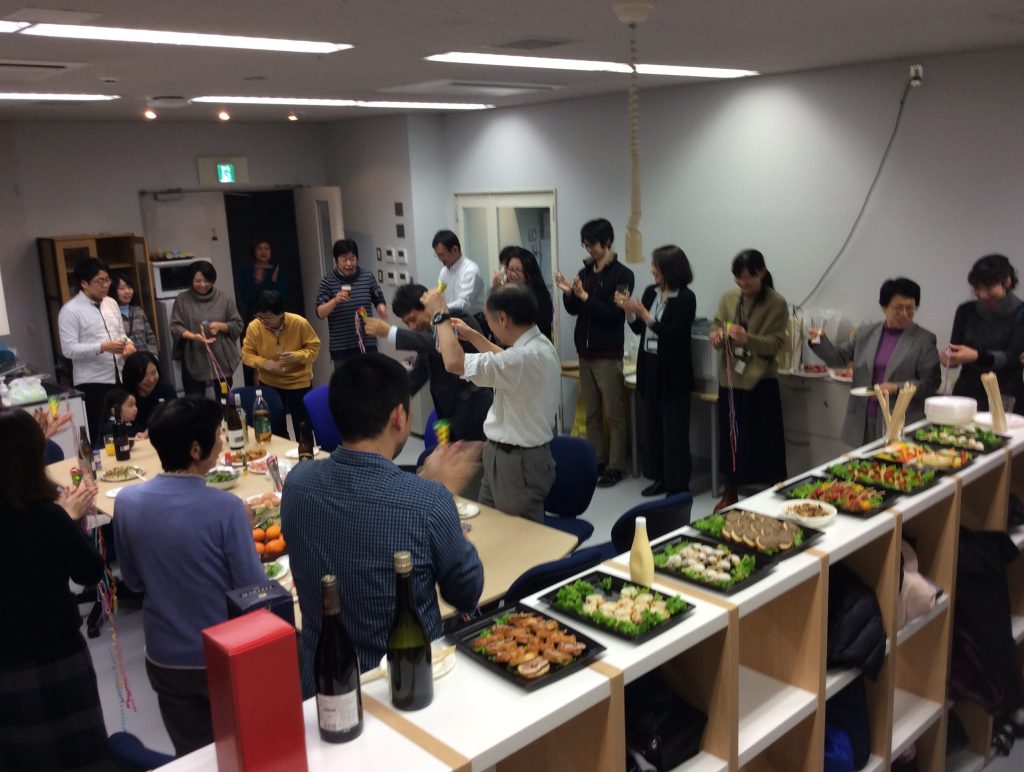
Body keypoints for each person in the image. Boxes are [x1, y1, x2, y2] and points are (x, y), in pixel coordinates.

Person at [281, 354, 484, 692]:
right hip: (406, 684)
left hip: (323, 684)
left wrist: (425, 487)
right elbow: (467, 592)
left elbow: (358, 522)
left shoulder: (297, 483)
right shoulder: (428, 501)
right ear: (399, 417)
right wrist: (442, 491)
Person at [113, 397, 267, 755]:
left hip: (164, 657)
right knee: (241, 752)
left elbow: (132, 582)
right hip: (220, 655)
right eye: (218, 434)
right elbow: (253, 590)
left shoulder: (126, 502)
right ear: (196, 449)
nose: (222, 441)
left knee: (194, 755)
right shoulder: (227, 509)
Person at [2, 409, 113, 771]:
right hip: (56, 654)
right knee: (80, 754)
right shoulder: (46, 517)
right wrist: (69, 518)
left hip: (8, 660)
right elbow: (90, 571)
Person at [427, 283, 561, 522]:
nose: (488, 325)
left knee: (518, 535)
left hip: (516, 462)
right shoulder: (539, 345)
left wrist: (440, 315)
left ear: (503, 318)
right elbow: (504, 359)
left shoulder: (521, 358)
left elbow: (454, 362)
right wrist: (475, 336)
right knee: (488, 524)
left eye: (487, 319)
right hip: (504, 455)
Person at [811, 277, 941, 445]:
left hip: (899, 418)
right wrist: (818, 340)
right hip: (862, 418)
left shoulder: (923, 339)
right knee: (861, 460)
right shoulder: (865, 333)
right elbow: (838, 359)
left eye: (910, 309)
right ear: (884, 307)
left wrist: (896, 388)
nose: (904, 314)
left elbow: (930, 383)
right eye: (897, 308)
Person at [556, 218, 634, 487]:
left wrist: (585, 296)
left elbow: (614, 316)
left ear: (607, 242)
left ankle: (616, 466)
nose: (589, 249)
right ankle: (597, 460)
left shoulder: (623, 275)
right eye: (586, 244)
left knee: (613, 413)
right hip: (585, 351)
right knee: (591, 412)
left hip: (608, 353)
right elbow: (574, 310)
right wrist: (569, 294)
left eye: (593, 244)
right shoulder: (586, 271)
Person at [709, 250, 789, 510]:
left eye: (749, 278)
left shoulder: (776, 303)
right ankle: (730, 491)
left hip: (761, 383)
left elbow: (776, 344)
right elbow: (716, 326)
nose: (743, 283)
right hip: (731, 381)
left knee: (766, 443)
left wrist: (748, 339)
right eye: (738, 278)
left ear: (762, 273)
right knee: (730, 442)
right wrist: (717, 336)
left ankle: (776, 493)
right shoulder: (728, 297)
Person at [363, 283, 492, 442]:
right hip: (450, 416)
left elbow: (439, 344)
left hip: (477, 411)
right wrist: (391, 401)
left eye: (413, 319)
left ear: (427, 306)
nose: (412, 326)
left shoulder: (457, 318)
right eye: (406, 323)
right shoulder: (427, 333)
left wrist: (390, 333)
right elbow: (419, 374)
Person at [619, 245, 696, 496]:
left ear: (670, 269)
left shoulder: (686, 298)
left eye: (656, 266)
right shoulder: (651, 292)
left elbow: (674, 336)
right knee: (653, 429)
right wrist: (630, 314)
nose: (652, 270)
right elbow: (640, 330)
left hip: (674, 373)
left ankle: (678, 484)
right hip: (649, 368)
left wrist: (646, 315)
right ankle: (660, 478)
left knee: (674, 432)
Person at [57, 256, 133, 443]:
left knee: (122, 427)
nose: (106, 285)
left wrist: (128, 344)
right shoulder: (70, 310)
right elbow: (68, 349)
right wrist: (102, 347)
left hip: (118, 376)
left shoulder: (111, 303)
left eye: (107, 279)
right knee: (101, 431)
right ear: (84, 283)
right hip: (92, 382)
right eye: (100, 281)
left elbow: (121, 333)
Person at [941, 254, 1024, 412]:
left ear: (1007, 282)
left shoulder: (1021, 313)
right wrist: (949, 358)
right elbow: (956, 348)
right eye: (977, 288)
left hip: (1006, 398)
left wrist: (977, 356)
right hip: (966, 395)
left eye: (988, 288)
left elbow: (1013, 357)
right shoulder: (966, 310)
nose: (982, 294)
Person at [241, 290, 321, 438]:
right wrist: (265, 363)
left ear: (281, 314)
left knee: (303, 426)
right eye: (260, 316)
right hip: (270, 382)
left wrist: (297, 356)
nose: (263, 321)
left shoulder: (299, 323)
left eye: (267, 318)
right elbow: (246, 354)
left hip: (298, 382)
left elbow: (314, 349)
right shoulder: (254, 326)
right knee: (276, 426)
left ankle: (305, 451)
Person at [170, 260, 243, 397]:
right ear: (191, 280)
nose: (203, 285)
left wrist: (222, 326)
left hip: (220, 357)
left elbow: (238, 324)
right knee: (195, 401)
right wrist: (193, 336)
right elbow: (175, 326)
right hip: (194, 355)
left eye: (207, 280)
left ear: (213, 280)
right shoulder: (182, 299)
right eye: (198, 281)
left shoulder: (224, 299)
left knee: (224, 399)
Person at [315, 239, 387, 366]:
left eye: (352, 259)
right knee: (346, 378)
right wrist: (335, 301)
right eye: (344, 260)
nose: (349, 263)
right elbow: (320, 313)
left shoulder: (367, 276)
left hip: (367, 342)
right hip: (342, 347)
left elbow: (378, 297)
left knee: (372, 376)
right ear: (336, 260)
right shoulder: (328, 281)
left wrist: (381, 308)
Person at [493, 246, 554, 340]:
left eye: (517, 270)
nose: (512, 274)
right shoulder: (510, 293)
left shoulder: (539, 297)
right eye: (510, 269)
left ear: (529, 273)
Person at [235, 237, 288, 324]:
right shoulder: (246, 271)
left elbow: (284, 296)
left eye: (266, 248)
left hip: (276, 318)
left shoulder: (277, 271)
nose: (263, 252)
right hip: (254, 317)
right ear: (254, 251)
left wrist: (275, 283)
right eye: (259, 248)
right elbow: (245, 297)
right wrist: (257, 283)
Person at [122, 351, 177, 432]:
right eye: (144, 376)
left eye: (154, 373)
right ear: (133, 377)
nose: (151, 380)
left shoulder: (167, 391)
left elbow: (177, 420)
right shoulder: (126, 399)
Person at [434, 229, 485, 316]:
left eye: (442, 255)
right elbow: (439, 293)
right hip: (450, 316)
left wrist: (439, 309)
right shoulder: (444, 272)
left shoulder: (470, 271)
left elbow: (464, 304)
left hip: (471, 319)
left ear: (455, 249)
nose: (440, 259)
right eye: (437, 255)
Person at [109, 272, 158, 354]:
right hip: (124, 359)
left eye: (129, 287)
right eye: (122, 288)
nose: (127, 291)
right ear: (113, 291)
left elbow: (150, 336)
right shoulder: (110, 314)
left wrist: (153, 355)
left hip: (144, 357)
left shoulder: (138, 311)